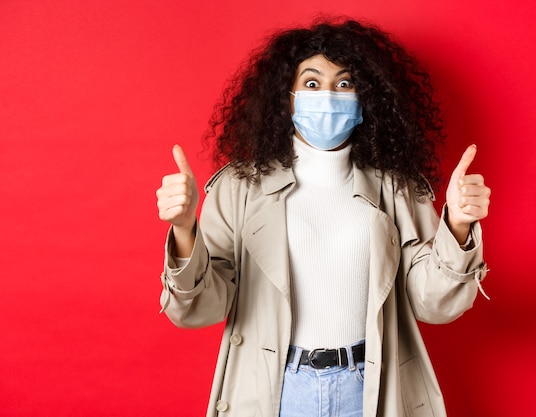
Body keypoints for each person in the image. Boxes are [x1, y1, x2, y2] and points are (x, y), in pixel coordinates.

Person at [156, 18, 490, 417]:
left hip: (371, 388)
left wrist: (457, 227)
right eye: (312, 83)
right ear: (288, 98)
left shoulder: (397, 188)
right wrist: (184, 230)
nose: (328, 96)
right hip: (277, 390)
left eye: (344, 84)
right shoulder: (239, 187)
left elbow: (433, 305)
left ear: (366, 99)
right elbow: (201, 309)